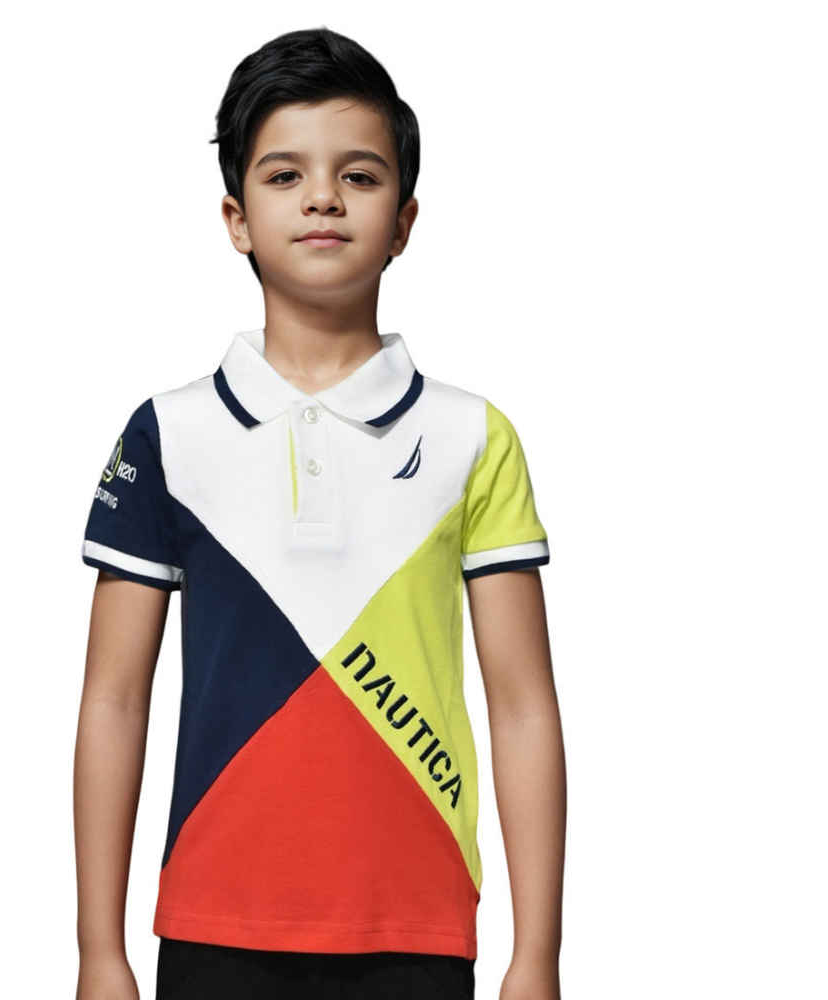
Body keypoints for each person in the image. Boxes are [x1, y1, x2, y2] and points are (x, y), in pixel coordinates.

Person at [74, 26, 565, 1000]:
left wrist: (538, 956)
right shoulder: (167, 433)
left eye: (360, 175)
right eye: (285, 174)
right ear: (236, 217)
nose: (323, 198)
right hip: (213, 924)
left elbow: (522, 706)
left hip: (418, 927)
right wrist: (98, 952)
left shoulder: (474, 435)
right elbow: (112, 700)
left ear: (405, 220)